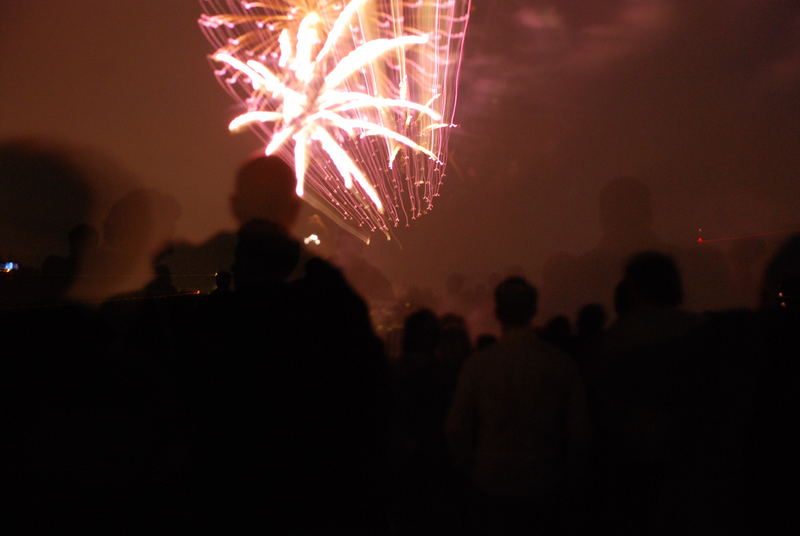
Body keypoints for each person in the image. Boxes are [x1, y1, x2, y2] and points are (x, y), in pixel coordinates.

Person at [446, 277, 590, 535]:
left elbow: (457, 429)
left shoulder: (479, 365)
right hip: (545, 483)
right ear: (533, 310)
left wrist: (470, 468)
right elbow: (579, 432)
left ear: (498, 312)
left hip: (491, 483)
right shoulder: (560, 363)